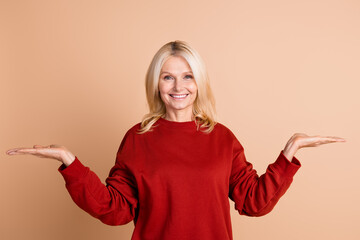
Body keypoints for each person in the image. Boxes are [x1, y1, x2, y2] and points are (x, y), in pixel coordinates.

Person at [6, 40, 345, 240]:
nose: (178, 86)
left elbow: (253, 201)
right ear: (157, 83)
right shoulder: (138, 139)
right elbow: (116, 209)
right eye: (168, 77)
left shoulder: (222, 138)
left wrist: (290, 152)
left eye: (187, 76)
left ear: (199, 83)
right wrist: (70, 162)